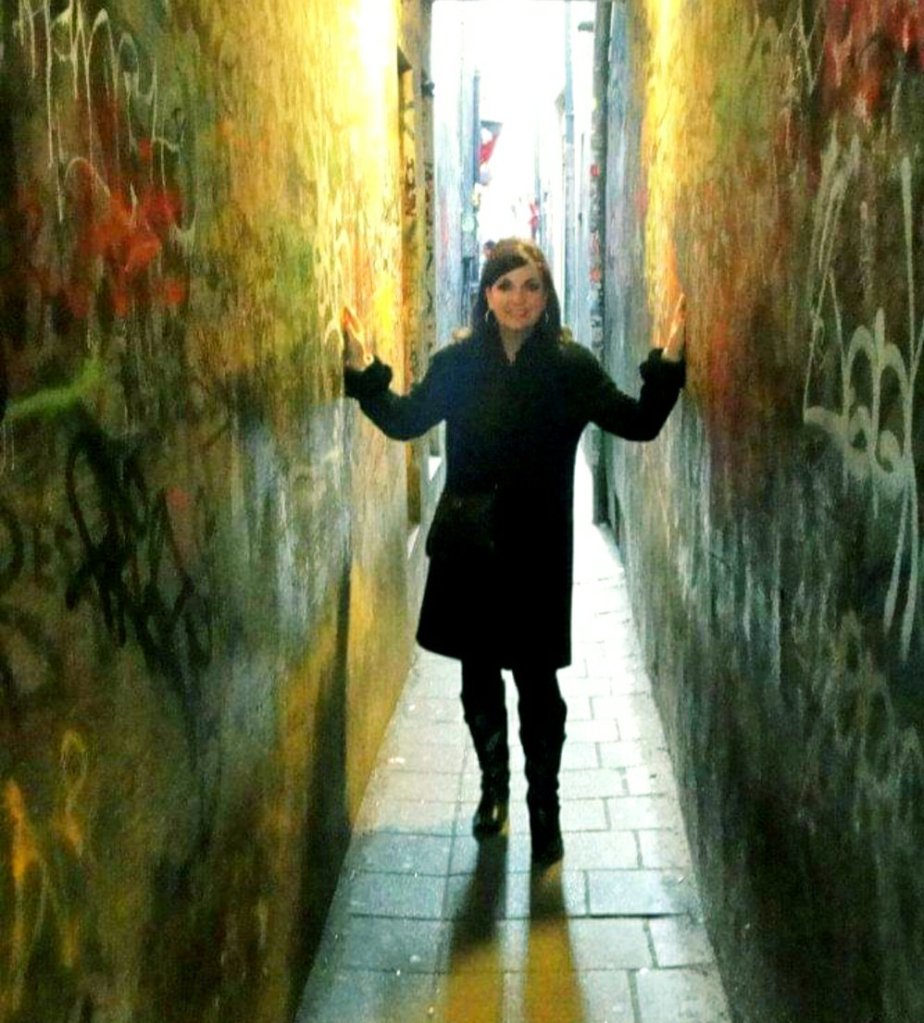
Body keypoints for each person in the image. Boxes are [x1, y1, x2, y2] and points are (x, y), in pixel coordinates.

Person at [342, 238, 686, 868]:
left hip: (537, 551)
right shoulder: (458, 365)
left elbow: (639, 422)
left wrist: (667, 361)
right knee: (478, 678)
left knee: (538, 686)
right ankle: (493, 789)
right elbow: (405, 420)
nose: (519, 299)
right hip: (471, 547)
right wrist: (365, 371)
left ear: (546, 294)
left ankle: (544, 806)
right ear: (487, 293)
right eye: (506, 285)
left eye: (531, 286)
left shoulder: (569, 366)